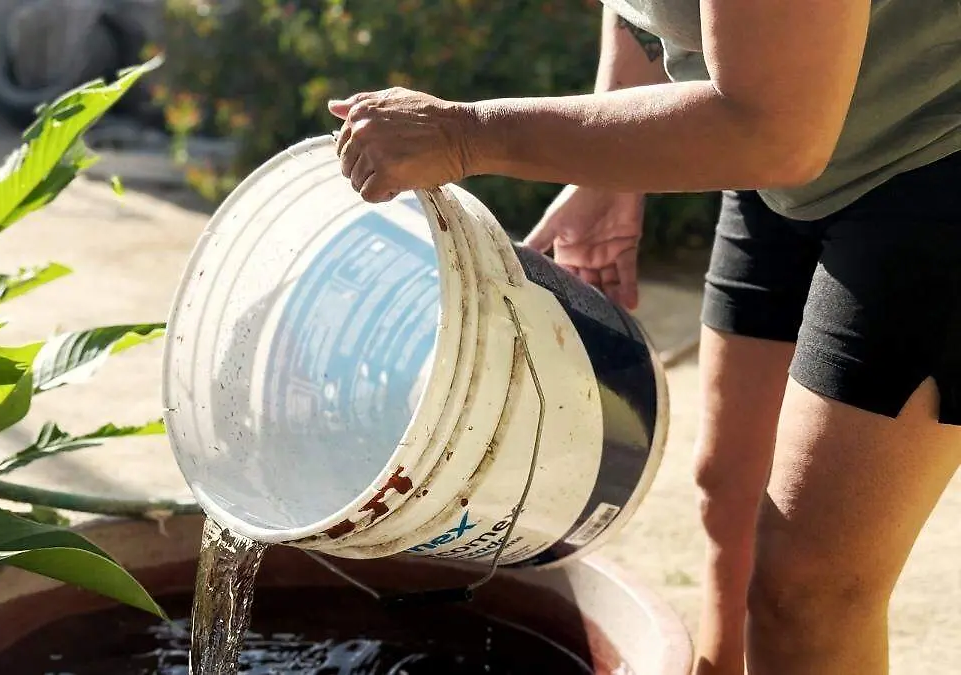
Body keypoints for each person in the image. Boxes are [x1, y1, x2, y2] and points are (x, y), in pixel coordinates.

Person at [327, 2, 961, 674]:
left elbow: (776, 133)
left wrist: (468, 134)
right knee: (731, 496)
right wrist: (606, 170)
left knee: (808, 587)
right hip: (785, 153)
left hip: (925, 164)